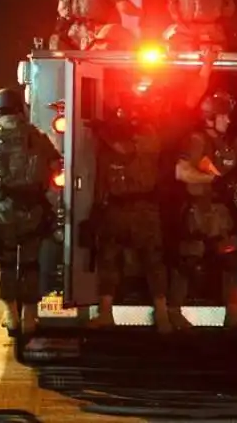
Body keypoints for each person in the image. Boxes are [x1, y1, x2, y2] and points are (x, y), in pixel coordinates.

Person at [0, 88, 61, 334]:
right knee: (30, 264)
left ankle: (11, 314)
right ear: (20, 109)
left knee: (6, 262)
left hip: (3, 210)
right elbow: (55, 163)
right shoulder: (36, 135)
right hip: (32, 209)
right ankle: (30, 318)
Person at [89, 93, 173, 334]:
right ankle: (106, 313)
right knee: (109, 259)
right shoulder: (120, 138)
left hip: (142, 209)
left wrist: (102, 130)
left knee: (152, 261)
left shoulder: (148, 135)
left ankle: (162, 315)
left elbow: (123, 148)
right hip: (118, 207)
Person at [173, 90, 237, 326]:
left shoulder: (227, 143)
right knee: (188, 261)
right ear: (209, 118)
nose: (228, 120)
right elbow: (181, 172)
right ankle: (174, 311)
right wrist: (212, 180)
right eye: (223, 116)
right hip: (198, 210)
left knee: (231, 259)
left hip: (220, 211)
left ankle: (234, 314)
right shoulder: (197, 140)